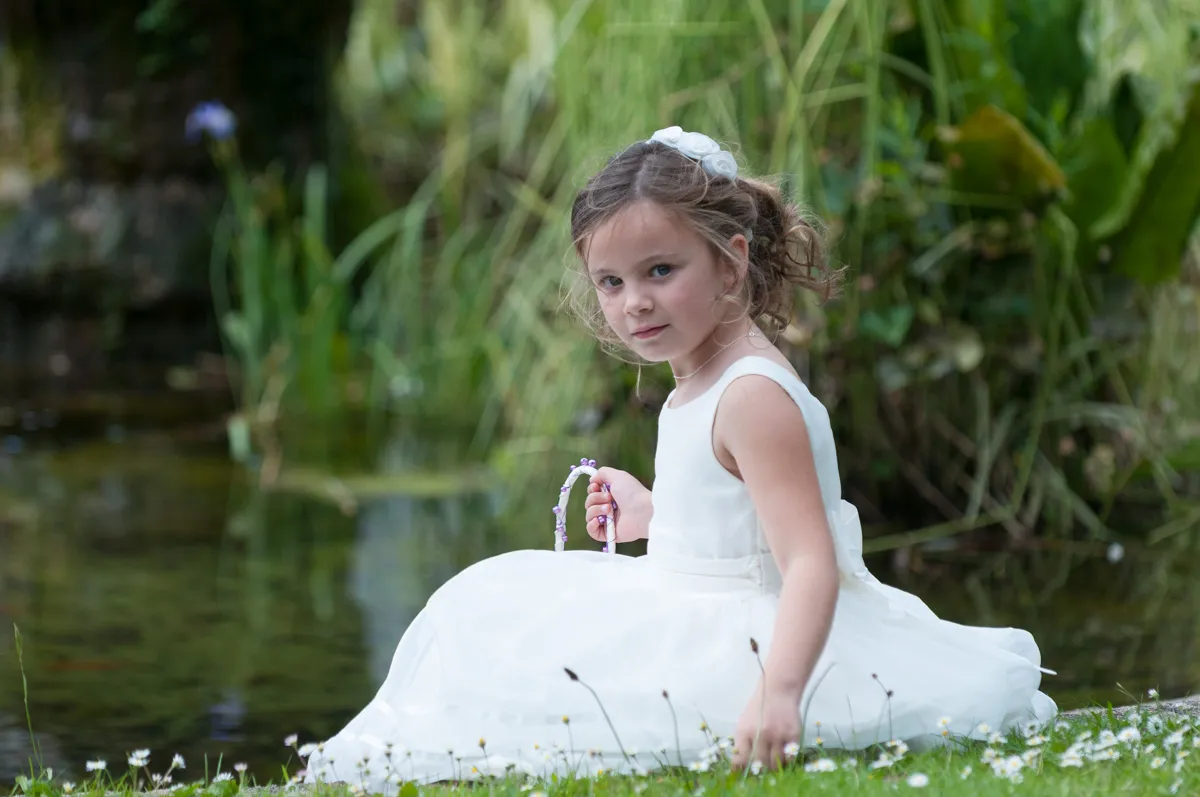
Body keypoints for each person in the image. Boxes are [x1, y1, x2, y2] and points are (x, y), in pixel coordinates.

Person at [303, 126, 1056, 790]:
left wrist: (779, 690)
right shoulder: (703, 370)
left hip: (757, 636)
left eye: (661, 271)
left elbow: (807, 561)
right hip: (696, 592)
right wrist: (653, 513)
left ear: (730, 263)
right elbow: (738, 521)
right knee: (479, 608)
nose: (635, 302)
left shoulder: (752, 394)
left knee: (510, 642)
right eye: (612, 281)